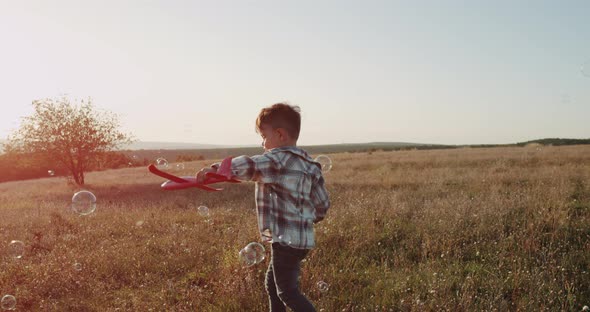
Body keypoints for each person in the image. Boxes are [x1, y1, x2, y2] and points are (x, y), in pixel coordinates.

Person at [197, 103, 330, 312]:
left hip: (285, 241)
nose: (263, 143)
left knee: (287, 292)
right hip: (302, 241)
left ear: (280, 135)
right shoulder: (310, 165)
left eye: (264, 136)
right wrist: (309, 218)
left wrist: (216, 170)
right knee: (272, 284)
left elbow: (251, 164)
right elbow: (322, 204)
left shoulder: (277, 159)